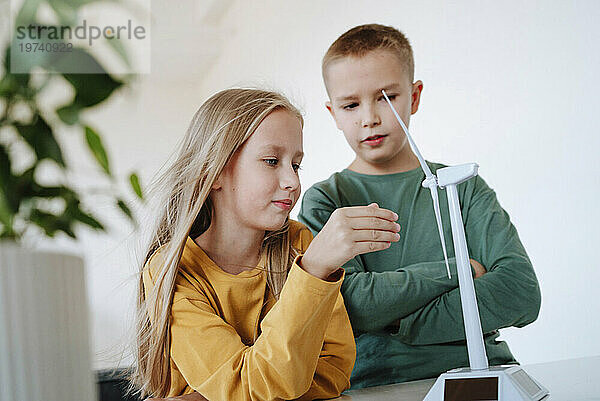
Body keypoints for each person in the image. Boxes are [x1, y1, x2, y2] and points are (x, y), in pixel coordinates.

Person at [298, 24, 542, 389]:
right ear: (333, 114)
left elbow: (520, 292)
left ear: (413, 97)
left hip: (486, 374)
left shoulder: (463, 185)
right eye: (351, 105)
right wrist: (458, 270)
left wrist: (402, 321)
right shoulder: (326, 201)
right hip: (379, 384)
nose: (369, 118)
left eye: (385, 97)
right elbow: (355, 307)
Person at [129, 88, 402, 400]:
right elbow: (250, 389)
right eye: (272, 161)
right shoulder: (173, 270)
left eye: (296, 164)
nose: (293, 181)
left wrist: (207, 396)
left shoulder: (299, 243)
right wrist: (311, 272)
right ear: (214, 172)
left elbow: (333, 372)